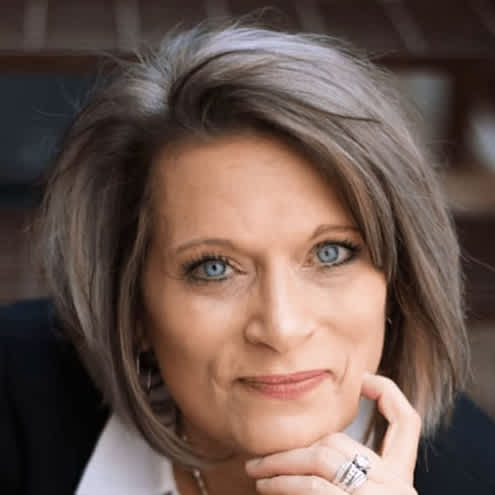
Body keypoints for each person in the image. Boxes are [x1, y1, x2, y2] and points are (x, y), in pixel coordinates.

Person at [2, 19, 495, 495]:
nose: (281, 328)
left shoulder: (477, 474)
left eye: (331, 253)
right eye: (213, 268)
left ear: (398, 282)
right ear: (132, 306)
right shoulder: (15, 391)